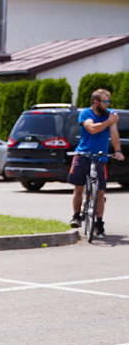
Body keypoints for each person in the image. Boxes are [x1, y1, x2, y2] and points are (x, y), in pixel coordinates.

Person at [68, 89, 124, 236]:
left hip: (100, 157)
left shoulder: (110, 114)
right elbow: (92, 129)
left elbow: (114, 133)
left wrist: (118, 151)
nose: (108, 104)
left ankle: (99, 223)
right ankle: (76, 216)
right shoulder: (86, 114)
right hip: (83, 154)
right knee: (78, 188)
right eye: (105, 101)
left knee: (100, 192)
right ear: (95, 102)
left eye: (108, 101)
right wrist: (109, 121)